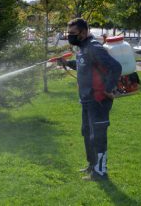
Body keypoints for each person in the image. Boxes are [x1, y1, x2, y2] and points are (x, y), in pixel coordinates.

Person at [60, 18, 122, 181]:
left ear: (84, 31)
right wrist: (67, 63)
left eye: (73, 33)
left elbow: (115, 67)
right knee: (87, 133)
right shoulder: (82, 47)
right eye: (69, 33)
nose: (70, 36)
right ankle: (92, 165)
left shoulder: (94, 47)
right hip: (86, 99)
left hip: (98, 100)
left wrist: (108, 89)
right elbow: (84, 65)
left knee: (98, 136)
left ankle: (100, 172)